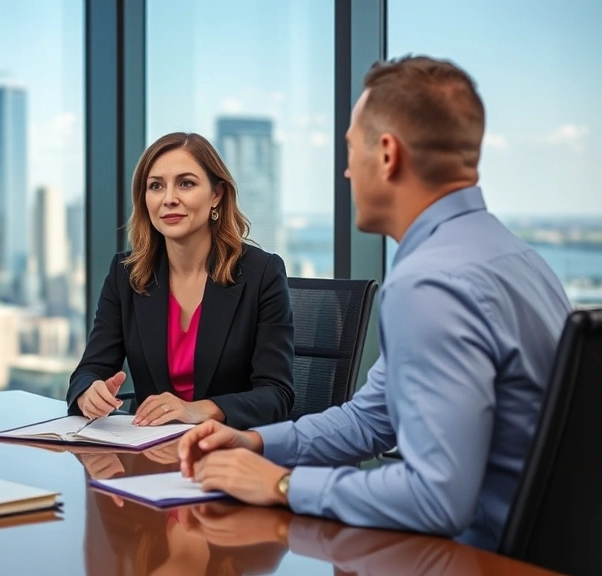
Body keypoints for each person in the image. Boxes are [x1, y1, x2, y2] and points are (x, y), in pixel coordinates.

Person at [177, 55, 572, 550]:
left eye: (350, 150)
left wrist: (281, 485)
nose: (345, 171)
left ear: (387, 155)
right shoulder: (514, 256)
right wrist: (256, 442)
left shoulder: (431, 284)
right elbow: (371, 417)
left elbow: (436, 499)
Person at [67, 132, 295, 430]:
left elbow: (276, 395)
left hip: (228, 452)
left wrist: (197, 410)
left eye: (186, 183)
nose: (169, 199)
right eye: (155, 186)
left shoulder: (261, 273)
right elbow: (90, 369)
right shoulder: (125, 274)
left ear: (217, 194)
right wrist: (89, 392)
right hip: (146, 450)